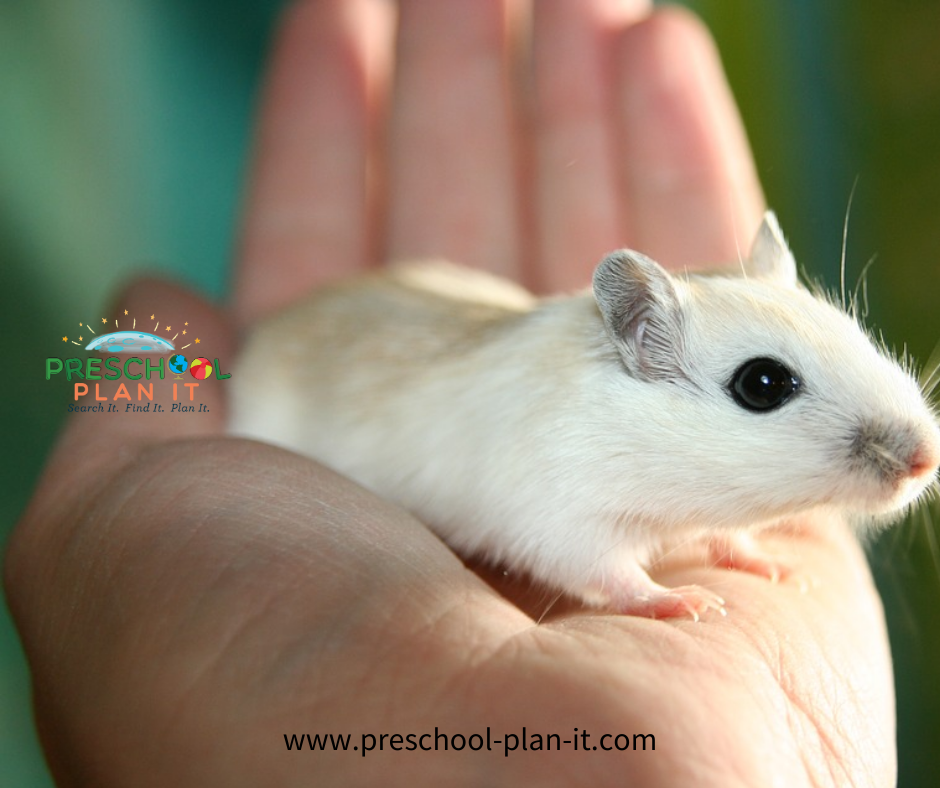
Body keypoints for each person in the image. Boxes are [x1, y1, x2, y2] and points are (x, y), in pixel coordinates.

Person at [4, 1, 894, 784]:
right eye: (766, 386)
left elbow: (684, 481)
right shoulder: (566, 419)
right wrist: (628, 589)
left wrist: (721, 535)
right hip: (303, 385)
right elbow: (544, 515)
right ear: (640, 340)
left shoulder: (637, 429)